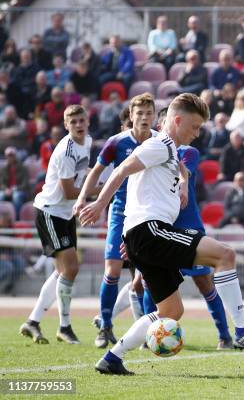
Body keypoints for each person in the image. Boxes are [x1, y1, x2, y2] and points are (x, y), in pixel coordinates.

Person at [78, 93, 244, 375]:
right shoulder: (159, 145)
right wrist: (99, 204)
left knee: (171, 312)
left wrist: (183, 183)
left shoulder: (169, 149)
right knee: (225, 255)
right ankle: (242, 329)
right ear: (178, 120)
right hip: (151, 230)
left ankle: (112, 357)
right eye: (194, 127)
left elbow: (178, 169)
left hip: (143, 235)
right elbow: (122, 169)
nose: (197, 134)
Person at [73, 93, 157, 348]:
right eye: (139, 113)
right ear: (131, 116)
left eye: (148, 113)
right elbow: (96, 171)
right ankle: (106, 327)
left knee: (147, 276)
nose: (144, 118)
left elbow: (179, 171)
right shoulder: (117, 142)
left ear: (154, 116)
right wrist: (81, 198)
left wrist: (183, 185)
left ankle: (147, 332)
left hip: (146, 215)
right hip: (120, 212)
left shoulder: (160, 142)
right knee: (112, 271)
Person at [19, 105, 94, 345]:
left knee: (64, 270)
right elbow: (70, 190)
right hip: (50, 212)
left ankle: (33, 322)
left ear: (88, 121)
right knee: (70, 268)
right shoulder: (65, 151)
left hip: (65, 213)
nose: (79, 125)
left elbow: (83, 173)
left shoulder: (88, 141)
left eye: (81, 120)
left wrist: (98, 178)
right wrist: (101, 190)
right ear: (66, 126)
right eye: (73, 122)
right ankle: (64, 327)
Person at [0, 146, 29, 219]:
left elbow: (25, 184)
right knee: (1, 195)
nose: (10, 158)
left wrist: (15, 189)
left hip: (20, 191)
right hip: (7, 191)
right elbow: (2, 183)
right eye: (8, 156)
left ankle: (16, 218)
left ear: (15, 156)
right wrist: (6, 189)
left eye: (11, 155)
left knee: (16, 196)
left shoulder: (23, 167)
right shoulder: (4, 169)